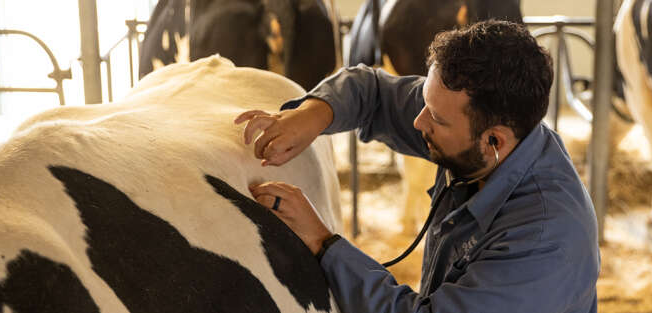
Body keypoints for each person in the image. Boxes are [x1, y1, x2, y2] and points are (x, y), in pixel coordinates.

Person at [235, 20, 599, 312]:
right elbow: (373, 92)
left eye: (436, 119)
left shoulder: (543, 243)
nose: (418, 121)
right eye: (425, 101)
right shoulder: (484, 137)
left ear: (494, 141)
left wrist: (323, 242)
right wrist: (310, 116)